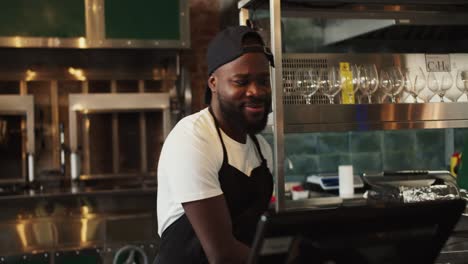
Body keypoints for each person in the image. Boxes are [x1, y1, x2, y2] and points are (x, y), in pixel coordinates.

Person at [155, 25, 275, 264]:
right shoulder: (193, 138)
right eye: (241, 82)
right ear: (213, 83)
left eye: (263, 81)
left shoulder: (261, 148)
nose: (256, 91)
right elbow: (221, 254)